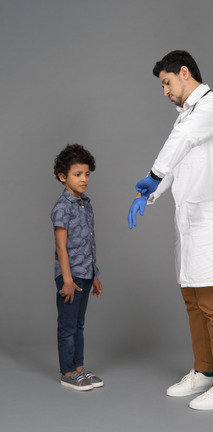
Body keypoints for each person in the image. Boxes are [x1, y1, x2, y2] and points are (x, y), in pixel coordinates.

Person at [128, 51, 213, 410]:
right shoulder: (187, 117)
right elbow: (177, 164)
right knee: (193, 299)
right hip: (190, 221)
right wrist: (150, 193)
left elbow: (184, 143)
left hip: (212, 219)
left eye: (166, 82)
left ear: (183, 72)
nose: (164, 91)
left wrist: (154, 173)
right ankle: (205, 371)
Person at [51, 144, 104, 391]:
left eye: (87, 174)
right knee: (68, 325)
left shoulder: (86, 204)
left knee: (79, 324)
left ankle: (80, 369)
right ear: (63, 176)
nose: (84, 179)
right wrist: (68, 280)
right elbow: (62, 248)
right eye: (77, 174)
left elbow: (88, 243)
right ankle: (67, 372)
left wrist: (94, 275)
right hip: (69, 276)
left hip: (85, 273)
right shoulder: (62, 208)